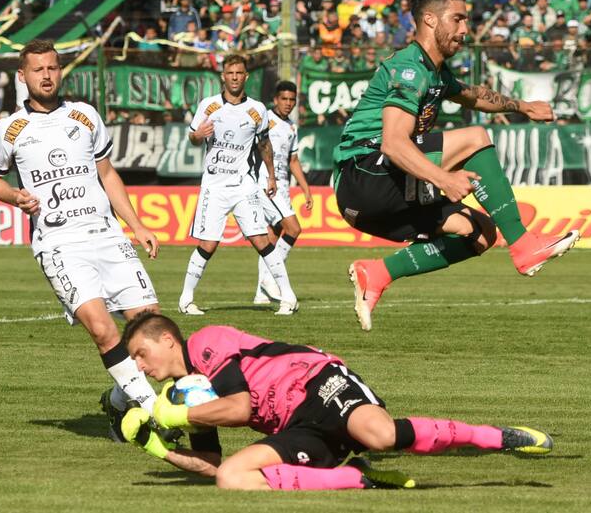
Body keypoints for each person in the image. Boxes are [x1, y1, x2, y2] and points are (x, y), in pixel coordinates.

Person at [332, 0, 579, 331]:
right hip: (365, 176)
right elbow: (393, 143)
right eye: (458, 19)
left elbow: (473, 95)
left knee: (479, 233)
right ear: (430, 20)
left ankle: (377, 273)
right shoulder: (410, 68)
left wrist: (524, 107)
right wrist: (444, 178)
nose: (466, 29)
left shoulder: (434, 72)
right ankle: (524, 246)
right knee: (475, 137)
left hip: (372, 203)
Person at [120, 312, 554, 491]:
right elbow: (213, 464)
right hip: (296, 427)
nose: (140, 366)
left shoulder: (206, 342)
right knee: (233, 477)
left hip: (318, 385)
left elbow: (240, 408)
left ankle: (498, 436)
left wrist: (178, 415)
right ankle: (354, 478)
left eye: (141, 353)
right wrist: (159, 448)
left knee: (380, 435)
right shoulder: (186, 393)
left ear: (167, 339)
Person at [0, 39, 161, 441]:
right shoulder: (10, 129)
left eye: (53, 68)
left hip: (108, 235)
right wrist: (15, 195)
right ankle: (155, 411)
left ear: (61, 71)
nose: (47, 75)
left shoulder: (85, 115)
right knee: (102, 330)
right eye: (38, 70)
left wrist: (137, 225)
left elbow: (108, 174)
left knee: (150, 327)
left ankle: (117, 402)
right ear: (23, 77)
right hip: (60, 245)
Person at [179, 54, 298, 316]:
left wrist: (270, 176)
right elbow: (193, 138)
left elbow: (264, 144)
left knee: (261, 239)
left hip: (244, 185)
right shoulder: (208, 106)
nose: (234, 77)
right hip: (214, 186)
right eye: (230, 73)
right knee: (208, 244)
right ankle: (186, 299)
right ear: (223, 75)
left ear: (246, 76)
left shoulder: (257, 110)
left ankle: (288, 297)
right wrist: (197, 135)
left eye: (239, 73)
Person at [253, 81, 313, 305]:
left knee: (270, 236)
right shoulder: (264, 120)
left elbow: (293, 160)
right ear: (275, 99)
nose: (288, 103)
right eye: (284, 99)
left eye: (292, 100)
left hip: (283, 186)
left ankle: (260, 293)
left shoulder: (291, 126)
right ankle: (270, 280)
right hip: (266, 184)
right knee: (294, 228)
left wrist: (306, 190)